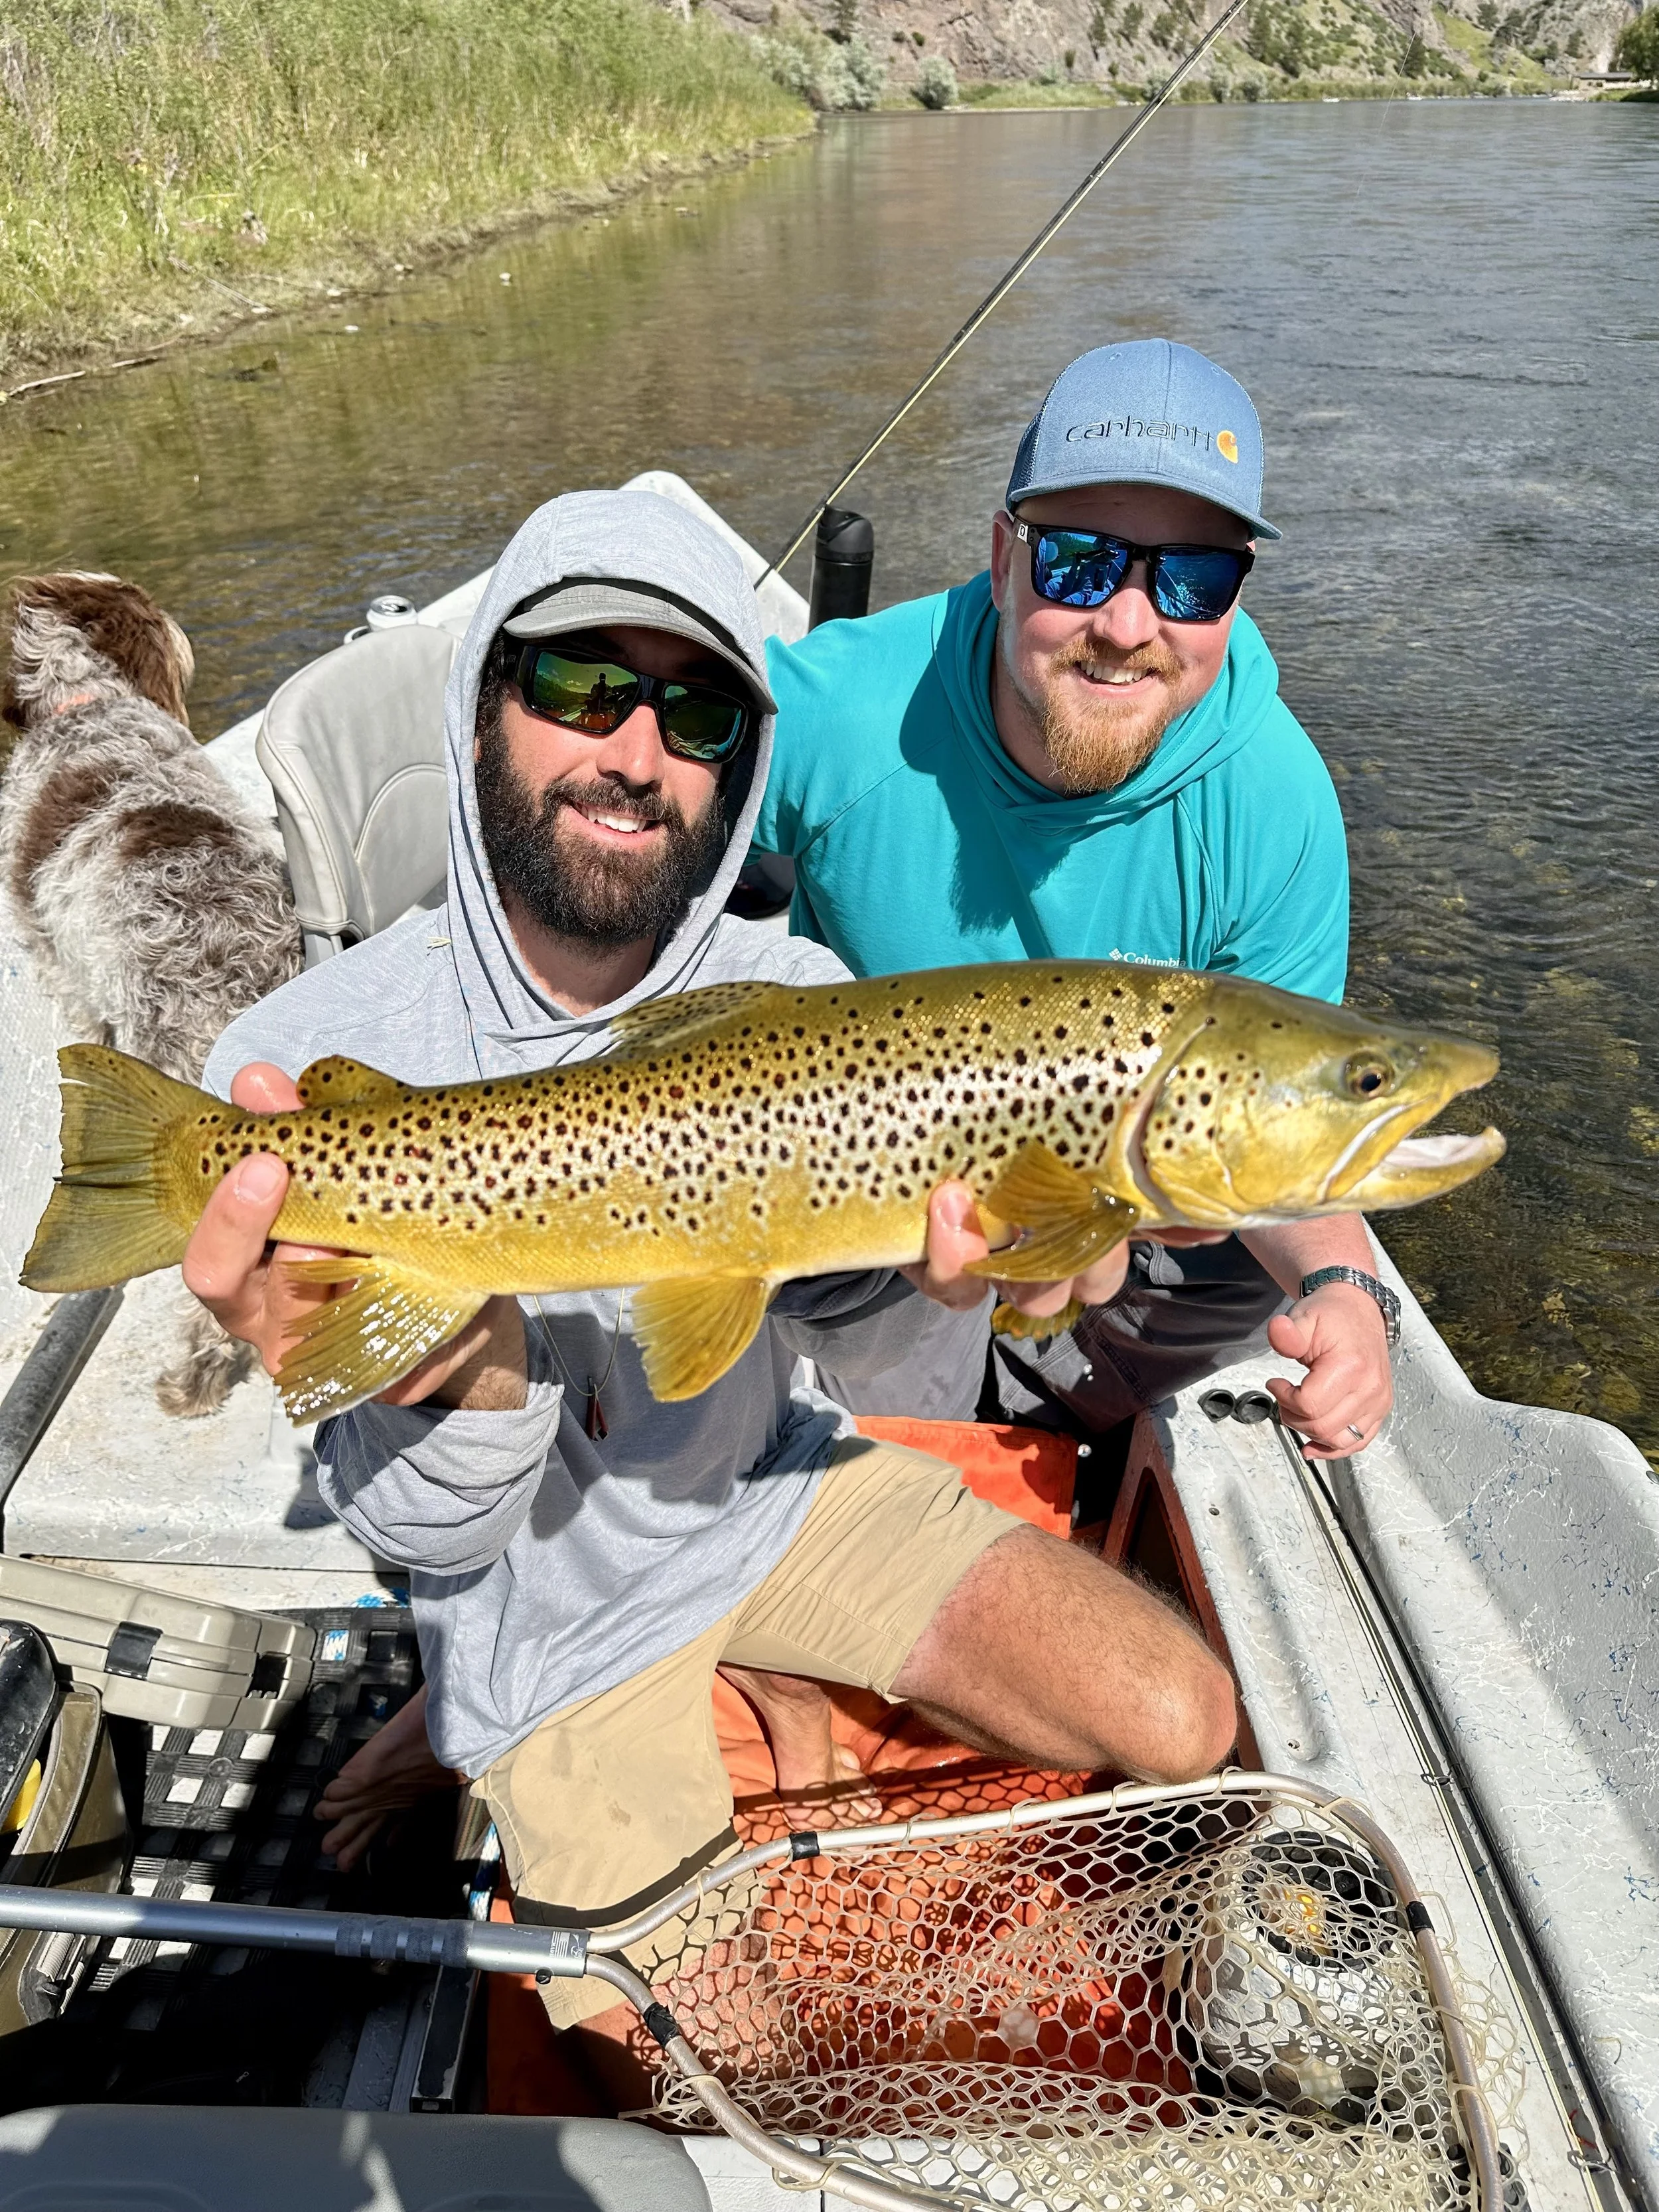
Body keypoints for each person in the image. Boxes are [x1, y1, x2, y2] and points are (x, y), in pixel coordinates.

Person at [182, 490, 1236, 2099]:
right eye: (578, 687)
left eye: (690, 710)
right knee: (732, 2086)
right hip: (544, 1609)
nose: (634, 748)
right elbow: (438, 1537)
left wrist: (1036, 1279)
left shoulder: (800, 999)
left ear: (736, 769)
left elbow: (879, 1282)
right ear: (485, 704)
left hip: (767, 1490)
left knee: (1180, 1716)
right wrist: (454, 1364)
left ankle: (700, 1678)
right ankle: (465, 1723)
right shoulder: (317, 1071)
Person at [753, 339, 1398, 1463]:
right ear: (1004, 558)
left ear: (1234, 599)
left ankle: (1038, 1392)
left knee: (1237, 1277)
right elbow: (604, 849)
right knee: (891, 1352)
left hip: (1138, 1199)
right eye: (1082, 565)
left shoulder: (1275, 802)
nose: (1130, 625)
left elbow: (1272, 1119)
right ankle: (948, 1413)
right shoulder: (840, 711)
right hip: (885, 1179)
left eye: (1192, 579)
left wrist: (1350, 1289)